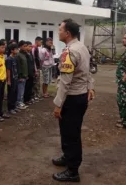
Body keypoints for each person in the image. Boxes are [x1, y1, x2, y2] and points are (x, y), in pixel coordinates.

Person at [52, 19, 95, 182]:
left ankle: (72, 170)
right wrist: (90, 86)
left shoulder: (69, 52)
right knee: (69, 131)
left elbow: (65, 81)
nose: (58, 32)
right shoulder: (82, 47)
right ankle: (67, 157)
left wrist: (58, 104)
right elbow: (87, 71)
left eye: (60, 29)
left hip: (72, 98)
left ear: (67, 33)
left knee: (71, 134)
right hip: (80, 95)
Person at [6, 43, 19, 115]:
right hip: (11, 79)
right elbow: (8, 70)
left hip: (16, 78)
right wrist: (8, 80)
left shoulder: (15, 58)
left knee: (15, 93)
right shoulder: (9, 59)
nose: (17, 50)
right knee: (11, 94)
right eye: (16, 49)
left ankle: (14, 106)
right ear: (12, 50)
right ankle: (10, 108)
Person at [16, 41, 29, 110]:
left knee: (22, 89)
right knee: (20, 90)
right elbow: (19, 67)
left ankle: (21, 101)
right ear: (20, 46)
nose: (25, 47)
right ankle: (18, 103)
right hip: (20, 76)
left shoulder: (24, 54)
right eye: (24, 46)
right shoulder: (18, 55)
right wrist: (20, 76)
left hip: (24, 75)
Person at [32, 37, 43, 101]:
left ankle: (36, 95)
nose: (41, 43)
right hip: (35, 68)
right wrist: (35, 68)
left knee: (38, 81)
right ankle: (35, 95)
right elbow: (33, 59)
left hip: (37, 67)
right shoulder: (34, 48)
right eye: (40, 42)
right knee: (36, 82)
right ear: (37, 41)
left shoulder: (37, 48)